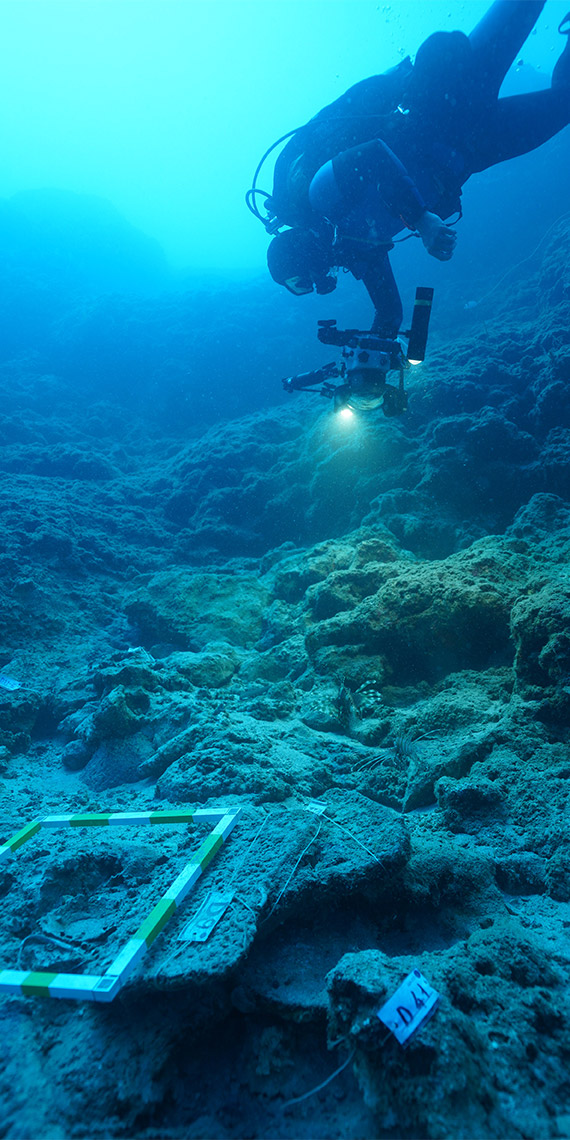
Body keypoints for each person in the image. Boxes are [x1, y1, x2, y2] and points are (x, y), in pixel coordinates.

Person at [264, 2, 570, 336]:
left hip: (446, 102)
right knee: (565, 102)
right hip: (472, 153)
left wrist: (422, 220)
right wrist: (372, 352)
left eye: (300, 283)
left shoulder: (321, 196)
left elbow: (373, 154)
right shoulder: (361, 249)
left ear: (299, 256)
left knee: (521, 6)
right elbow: (389, 311)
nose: (315, 285)